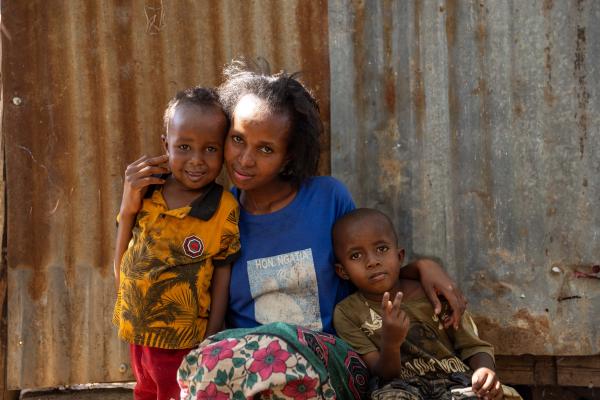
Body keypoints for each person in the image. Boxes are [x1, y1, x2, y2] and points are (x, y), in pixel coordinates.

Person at [177, 61, 467, 399]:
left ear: (288, 156)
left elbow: (365, 266)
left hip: (331, 360)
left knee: (276, 364)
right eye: (238, 140)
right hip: (248, 362)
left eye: (265, 149)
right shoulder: (219, 214)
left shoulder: (328, 198)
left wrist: (421, 267)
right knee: (209, 366)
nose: (244, 159)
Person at [112, 87, 241, 400]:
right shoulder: (147, 192)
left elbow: (222, 277)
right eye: (184, 146)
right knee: (145, 391)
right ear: (165, 144)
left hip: (183, 341)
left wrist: (211, 336)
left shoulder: (223, 209)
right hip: (138, 332)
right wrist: (128, 206)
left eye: (210, 149)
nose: (197, 160)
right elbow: (124, 260)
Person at [332, 208, 522, 400]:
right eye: (356, 255)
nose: (372, 261)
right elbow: (382, 374)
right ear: (342, 271)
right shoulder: (347, 313)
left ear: (399, 257)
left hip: (455, 382)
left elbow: (472, 345)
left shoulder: (433, 294)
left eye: (382, 249)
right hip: (400, 388)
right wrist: (391, 343)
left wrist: (484, 371)